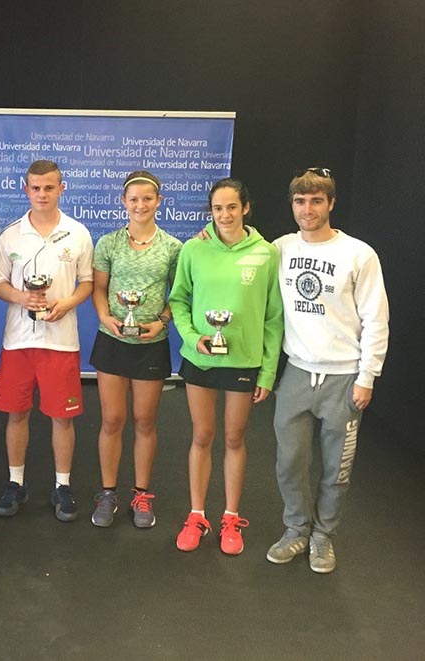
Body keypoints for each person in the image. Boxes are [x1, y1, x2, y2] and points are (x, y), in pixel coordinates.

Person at [266, 168, 388, 573]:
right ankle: (296, 529)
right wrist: (208, 236)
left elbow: (376, 319)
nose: (308, 209)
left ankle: (322, 535)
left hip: (344, 378)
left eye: (316, 200)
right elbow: (240, 251)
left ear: (331, 204)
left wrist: (367, 377)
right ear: (292, 205)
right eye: (300, 201)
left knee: (337, 469)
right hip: (297, 373)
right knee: (289, 462)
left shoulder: (358, 254)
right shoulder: (280, 248)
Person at [168, 177, 283, 555]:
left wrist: (268, 371)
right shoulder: (194, 249)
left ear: (245, 208)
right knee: (202, 436)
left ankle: (230, 517)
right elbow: (179, 300)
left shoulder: (266, 253)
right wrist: (191, 338)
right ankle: (196, 515)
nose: (225, 215)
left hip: (243, 360)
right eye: (218, 208)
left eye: (232, 207)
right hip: (201, 356)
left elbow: (273, 317)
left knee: (234, 438)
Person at [0, 159, 93, 521]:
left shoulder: (78, 233)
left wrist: (67, 303)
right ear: (26, 189)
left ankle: (62, 486)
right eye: (36, 188)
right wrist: (22, 297)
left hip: (61, 341)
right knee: (17, 412)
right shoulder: (11, 235)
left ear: (61, 188)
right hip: (18, 341)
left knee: (62, 418)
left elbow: (87, 282)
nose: (42, 194)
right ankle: (16, 482)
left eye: (49, 187)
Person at [89, 170, 181, 528]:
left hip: (150, 344)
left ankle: (142, 494)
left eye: (147, 198)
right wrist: (105, 317)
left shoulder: (173, 248)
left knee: (145, 421)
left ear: (158, 202)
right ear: (123, 202)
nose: (140, 205)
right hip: (112, 341)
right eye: (134, 199)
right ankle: (107, 492)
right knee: (112, 419)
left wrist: (162, 322)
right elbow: (99, 289)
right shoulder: (108, 243)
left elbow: (179, 294)